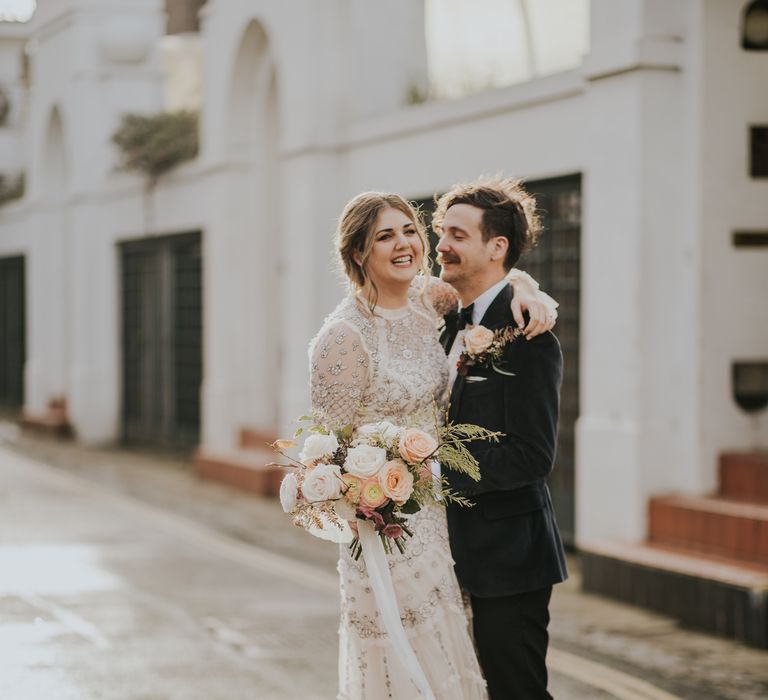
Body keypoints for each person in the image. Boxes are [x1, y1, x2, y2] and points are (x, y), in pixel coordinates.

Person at [308, 190, 558, 699]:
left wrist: (528, 288)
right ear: (358, 253)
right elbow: (326, 455)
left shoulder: (433, 304)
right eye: (385, 236)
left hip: (462, 532)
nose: (419, 243)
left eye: (410, 230)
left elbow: (495, 278)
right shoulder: (344, 337)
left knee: (484, 678)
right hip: (395, 531)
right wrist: (376, 485)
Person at [435, 176, 567, 700]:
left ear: (497, 248)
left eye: (458, 235)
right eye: (441, 232)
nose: (441, 245)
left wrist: (430, 470)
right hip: (441, 553)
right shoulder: (441, 320)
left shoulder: (529, 336)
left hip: (508, 558)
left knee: (515, 692)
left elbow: (532, 455)